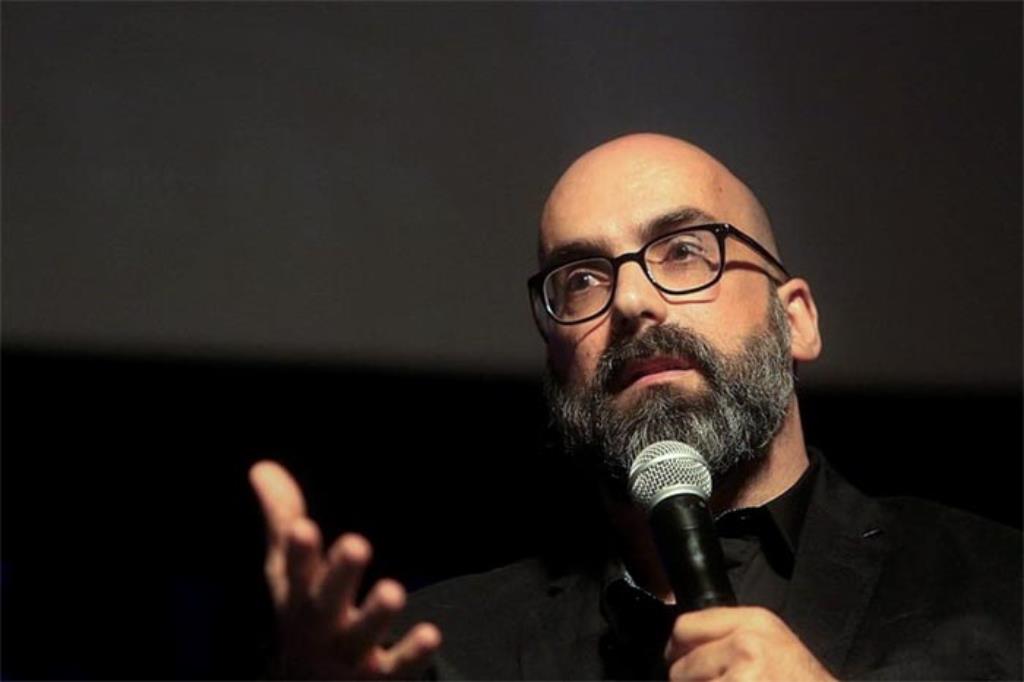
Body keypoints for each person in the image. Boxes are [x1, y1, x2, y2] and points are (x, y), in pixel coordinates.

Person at [249, 133, 1021, 680]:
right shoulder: (436, 651)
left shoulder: (998, 586)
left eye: (684, 251)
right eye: (582, 277)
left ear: (797, 320)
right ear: (554, 351)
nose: (630, 300)